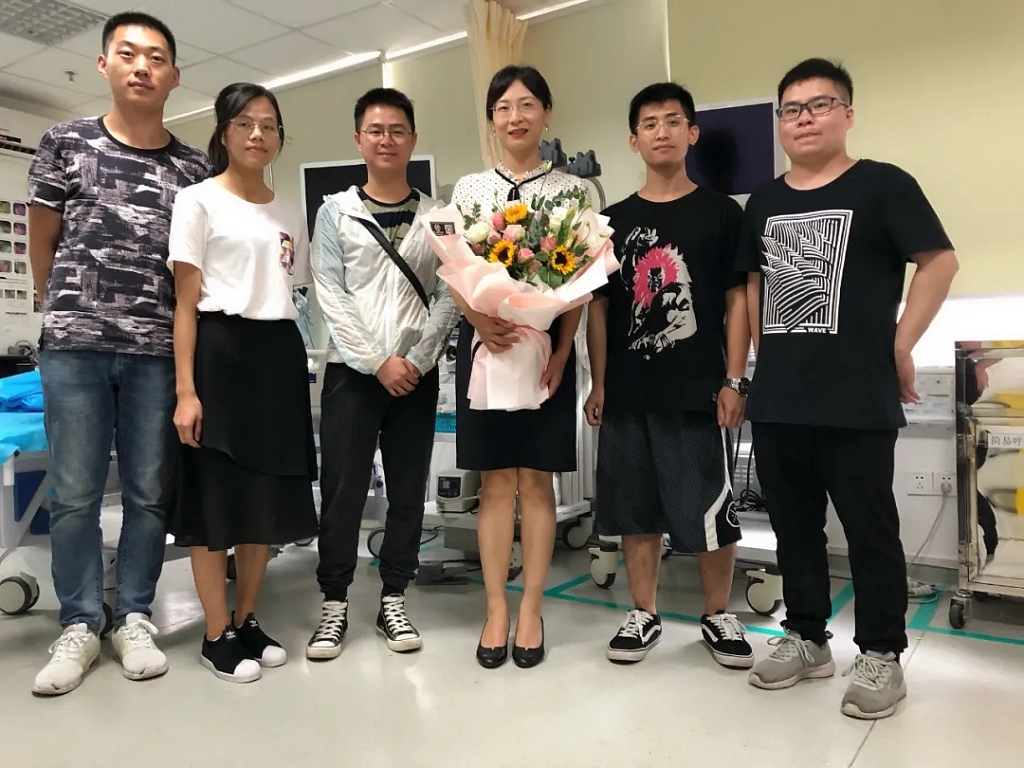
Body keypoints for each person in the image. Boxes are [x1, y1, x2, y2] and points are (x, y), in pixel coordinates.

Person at [737, 58, 958, 719]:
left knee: (869, 530)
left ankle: (882, 651)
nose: (804, 118)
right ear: (779, 123)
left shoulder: (884, 185)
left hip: (857, 396)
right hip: (779, 399)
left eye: (819, 105)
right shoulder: (763, 202)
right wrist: (754, 362)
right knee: (793, 528)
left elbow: (939, 262)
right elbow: (753, 286)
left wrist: (899, 344)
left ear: (847, 114)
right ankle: (806, 637)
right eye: (791, 109)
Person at [26, 12, 211, 697]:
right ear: (105, 64)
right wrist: (60, 307)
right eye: (128, 54)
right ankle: (79, 623)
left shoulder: (193, 169)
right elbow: (42, 237)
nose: (142, 66)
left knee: (148, 494)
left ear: (174, 76)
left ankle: (133, 615)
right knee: (74, 494)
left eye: (156, 57)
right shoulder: (65, 142)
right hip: (74, 349)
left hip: (157, 354)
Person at [584, 83, 753, 669]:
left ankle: (717, 614)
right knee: (634, 509)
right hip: (628, 391)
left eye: (673, 120)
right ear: (634, 140)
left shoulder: (722, 214)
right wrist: (599, 383)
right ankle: (644, 612)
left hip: (697, 390)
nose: (662, 131)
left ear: (692, 133)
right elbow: (599, 309)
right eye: (649, 123)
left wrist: (734, 380)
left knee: (709, 507)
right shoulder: (610, 222)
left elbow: (737, 302)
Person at [168, 82, 319, 683]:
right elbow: (184, 306)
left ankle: (248, 617)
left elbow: (293, 289)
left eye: (269, 124)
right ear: (223, 132)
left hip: (277, 355)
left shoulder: (289, 211)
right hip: (219, 353)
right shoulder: (197, 201)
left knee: (263, 501)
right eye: (245, 123)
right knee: (215, 503)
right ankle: (215, 633)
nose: (258, 134)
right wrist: (186, 391)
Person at [306, 88, 459, 659]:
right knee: (342, 493)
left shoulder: (440, 217)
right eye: (375, 130)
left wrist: (415, 361)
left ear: (413, 140)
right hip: (352, 375)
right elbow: (331, 293)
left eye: (397, 130)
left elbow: (451, 292)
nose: (386, 139)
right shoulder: (334, 212)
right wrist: (377, 361)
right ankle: (334, 602)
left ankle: (394, 597)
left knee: (407, 492)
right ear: (358, 140)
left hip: (416, 376)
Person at [449, 65, 590, 669]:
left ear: (546, 113)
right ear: (491, 119)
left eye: (527, 104)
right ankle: (495, 609)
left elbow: (582, 282)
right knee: (495, 484)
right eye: (504, 107)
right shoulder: (469, 190)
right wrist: (478, 322)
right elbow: (454, 269)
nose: (515, 117)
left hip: (545, 353)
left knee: (536, 480)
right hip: (486, 349)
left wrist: (562, 350)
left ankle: (531, 607)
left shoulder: (574, 192)